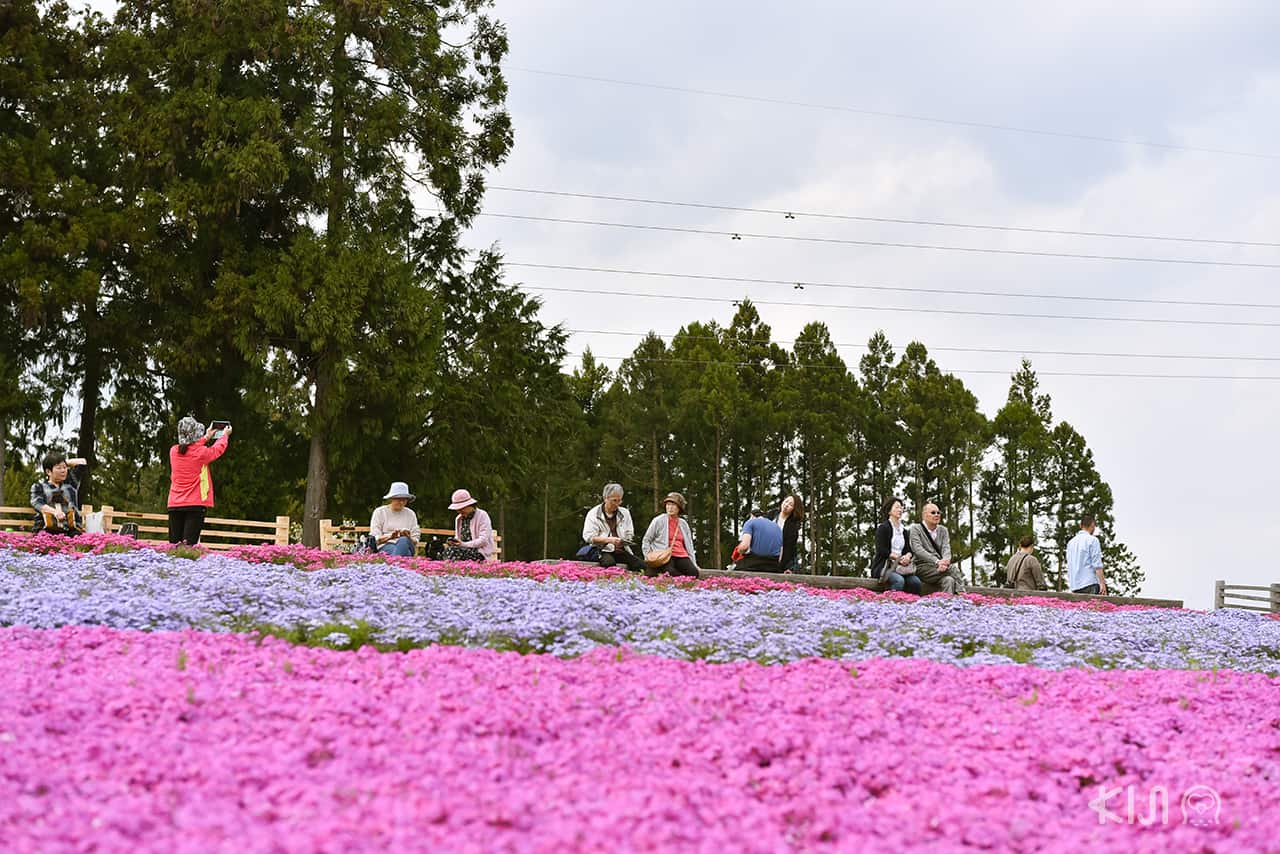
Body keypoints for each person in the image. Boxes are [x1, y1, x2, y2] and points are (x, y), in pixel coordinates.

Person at [167, 416, 231, 545]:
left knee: (174, 547)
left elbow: (190, 446)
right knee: (188, 547)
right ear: (195, 434)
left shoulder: (173, 451)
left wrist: (206, 437)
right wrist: (224, 436)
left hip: (175, 504)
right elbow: (217, 449)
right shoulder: (201, 453)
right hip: (194, 504)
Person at [582, 483, 643, 572]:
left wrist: (623, 541)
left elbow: (630, 533)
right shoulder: (593, 514)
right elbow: (588, 537)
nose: (617, 504)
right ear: (605, 498)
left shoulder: (625, 513)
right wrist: (608, 540)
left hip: (621, 550)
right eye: (614, 500)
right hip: (602, 550)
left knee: (641, 566)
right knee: (609, 564)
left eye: (619, 501)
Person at [908, 502, 965, 594]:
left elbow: (946, 548)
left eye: (938, 513)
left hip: (941, 567)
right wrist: (937, 561)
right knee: (952, 569)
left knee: (949, 580)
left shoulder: (943, 530)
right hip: (922, 567)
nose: (937, 515)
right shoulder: (915, 529)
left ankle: (947, 605)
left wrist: (945, 562)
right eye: (933, 512)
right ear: (924, 515)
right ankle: (963, 595)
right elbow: (917, 550)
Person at [641, 491, 700, 579]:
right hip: (663, 554)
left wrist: (694, 563)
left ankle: (683, 584)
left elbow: (689, 546)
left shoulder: (683, 523)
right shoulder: (658, 520)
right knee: (670, 572)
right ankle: (681, 584)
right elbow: (647, 540)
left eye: (673, 505)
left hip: (681, 555)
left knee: (693, 573)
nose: (670, 507)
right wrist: (649, 556)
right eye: (668, 504)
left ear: (679, 508)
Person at [29, 451, 88, 535]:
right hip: (46, 529)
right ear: (48, 472)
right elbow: (37, 503)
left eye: (64, 467)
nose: (63, 470)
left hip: (71, 530)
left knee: (80, 541)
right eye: (59, 468)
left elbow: (83, 462)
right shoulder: (39, 487)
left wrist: (62, 462)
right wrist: (55, 512)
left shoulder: (71, 483)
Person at [873, 496, 921, 594]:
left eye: (901, 507)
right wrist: (897, 558)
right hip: (885, 566)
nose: (900, 510)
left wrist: (907, 557)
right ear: (889, 511)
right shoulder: (883, 528)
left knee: (916, 582)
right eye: (897, 507)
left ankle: (913, 607)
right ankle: (891, 606)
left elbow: (909, 550)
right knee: (898, 581)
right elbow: (881, 549)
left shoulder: (904, 531)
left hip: (902, 568)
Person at [442, 488, 497, 562]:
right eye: (458, 509)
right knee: (446, 551)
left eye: (462, 508)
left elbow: (483, 540)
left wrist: (464, 544)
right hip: (462, 550)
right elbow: (458, 538)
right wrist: (454, 542)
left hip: (479, 552)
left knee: (453, 553)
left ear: (470, 505)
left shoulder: (482, 515)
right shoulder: (458, 519)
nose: (459, 511)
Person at [370, 482, 420, 557]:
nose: (402, 502)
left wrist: (407, 537)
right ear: (392, 498)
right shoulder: (380, 512)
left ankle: (393, 566)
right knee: (406, 553)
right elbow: (375, 538)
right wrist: (391, 536)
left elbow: (415, 540)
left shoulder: (410, 514)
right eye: (399, 499)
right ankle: (399, 564)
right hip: (386, 545)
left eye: (404, 499)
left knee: (403, 540)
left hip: (408, 545)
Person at [732, 507, 784, 573]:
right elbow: (780, 555)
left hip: (754, 565)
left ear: (752, 516)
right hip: (774, 567)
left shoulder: (750, 522)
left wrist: (738, 551)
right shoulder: (777, 527)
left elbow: (744, 546)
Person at [1066, 514, 1107, 595]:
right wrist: (1102, 583)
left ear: (1080, 525)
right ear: (1093, 525)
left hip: (1075, 585)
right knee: (1093, 607)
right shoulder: (1093, 540)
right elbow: (1097, 564)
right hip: (1090, 582)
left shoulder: (1070, 542)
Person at [775, 493, 804, 572]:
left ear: (794, 509)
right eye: (786, 501)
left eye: (791, 504)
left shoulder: (793, 527)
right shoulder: (771, 515)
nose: (786, 505)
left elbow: (788, 550)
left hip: (779, 559)